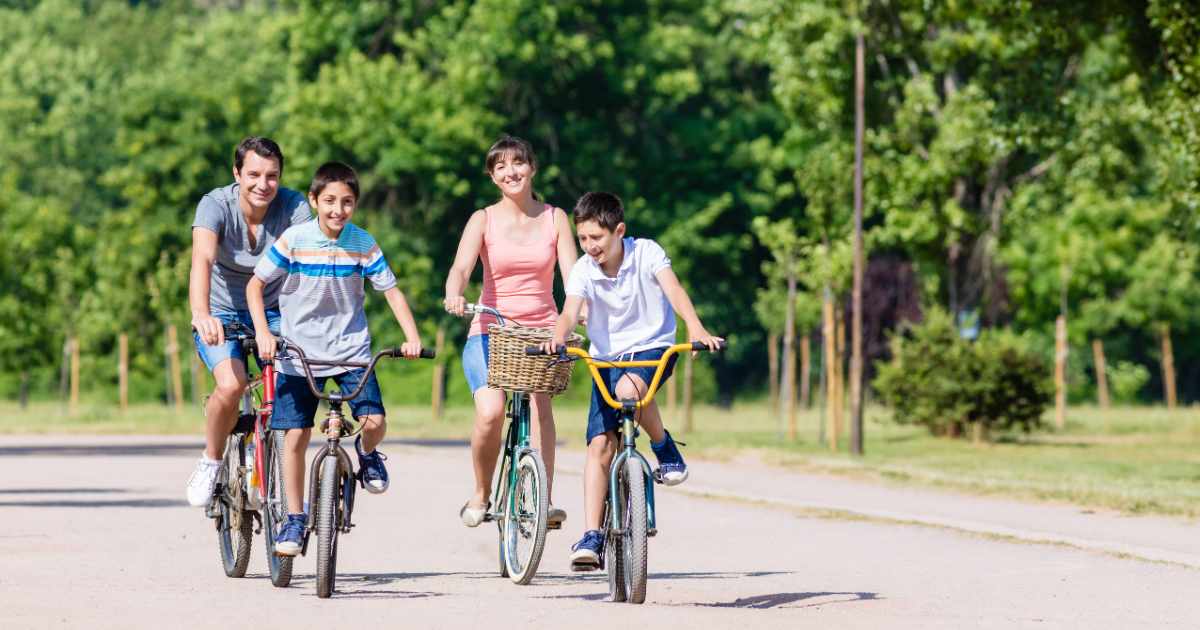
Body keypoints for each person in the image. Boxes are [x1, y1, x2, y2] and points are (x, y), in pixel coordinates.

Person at [246, 161, 424, 555]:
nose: (337, 210)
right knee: (295, 436)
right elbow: (256, 285)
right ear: (314, 200)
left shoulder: (363, 243)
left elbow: (391, 292)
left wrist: (412, 337)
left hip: (351, 353)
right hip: (298, 354)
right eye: (328, 201)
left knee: (374, 421)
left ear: (355, 206)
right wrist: (263, 333)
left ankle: (367, 453)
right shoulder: (295, 239)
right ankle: (294, 518)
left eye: (346, 202)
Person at [541, 191, 722, 571]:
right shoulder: (584, 270)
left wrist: (696, 326)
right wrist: (558, 336)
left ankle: (662, 444)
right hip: (605, 358)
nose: (590, 247)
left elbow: (673, 289)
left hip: (651, 349)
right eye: (584, 239)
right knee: (599, 446)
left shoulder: (647, 253)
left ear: (619, 231)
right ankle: (592, 533)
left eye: (597, 238)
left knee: (628, 392)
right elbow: (570, 311)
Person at [443, 135, 580, 529]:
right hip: (491, 332)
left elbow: (572, 275)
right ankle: (482, 491)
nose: (511, 171)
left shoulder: (555, 218)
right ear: (492, 176)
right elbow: (460, 269)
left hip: (542, 332)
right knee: (491, 412)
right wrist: (455, 293)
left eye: (518, 163)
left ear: (532, 168)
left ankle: (544, 498)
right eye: (500, 166)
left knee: (541, 405)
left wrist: (579, 309)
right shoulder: (482, 219)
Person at [186, 136, 312, 508]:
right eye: (254, 174)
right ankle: (211, 460)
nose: (263, 184)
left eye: (272, 176)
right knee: (231, 384)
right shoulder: (215, 205)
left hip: (275, 312)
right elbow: (202, 261)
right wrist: (201, 314)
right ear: (237, 173)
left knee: (296, 386)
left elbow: (308, 262)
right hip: (221, 312)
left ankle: (280, 473)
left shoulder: (294, 207)